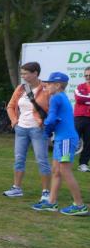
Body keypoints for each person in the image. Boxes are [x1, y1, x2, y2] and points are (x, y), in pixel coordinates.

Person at [32, 72, 87, 215]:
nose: (46, 85)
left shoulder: (56, 98)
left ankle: (80, 206)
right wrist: (50, 128)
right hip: (62, 138)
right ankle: (51, 203)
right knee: (56, 171)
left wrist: (46, 131)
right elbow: (56, 119)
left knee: (65, 171)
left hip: (65, 140)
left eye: (49, 83)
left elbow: (51, 119)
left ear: (57, 85)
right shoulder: (60, 96)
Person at [3, 62, 51, 201]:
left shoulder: (46, 89)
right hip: (21, 129)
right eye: (22, 73)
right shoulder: (21, 88)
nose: (23, 76)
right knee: (19, 159)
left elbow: (52, 108)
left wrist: (44, 123)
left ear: (35, 73)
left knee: (42, 160)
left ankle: (46, 192)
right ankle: (16, 188)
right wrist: (14, 121)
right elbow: (10, 106)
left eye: (25, 73)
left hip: (38, 129)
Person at [74, 66, 90, 172]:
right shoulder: (80, 86)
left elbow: (83, 99)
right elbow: (79, 98)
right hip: (79, 117)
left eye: (89, 75)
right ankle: (65, 161)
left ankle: (83, 164)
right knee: (74, 140)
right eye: (86, 75)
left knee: (88, 142)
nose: (88, 77)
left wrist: (86, 99)